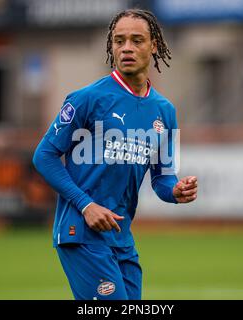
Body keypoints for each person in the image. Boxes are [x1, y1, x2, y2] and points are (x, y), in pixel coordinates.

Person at [33, 9, 197, 300]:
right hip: (80, 232)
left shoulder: (165, 111)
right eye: (119, 41)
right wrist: (86, 205)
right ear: (111, 47)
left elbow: (162, 177)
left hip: (121, 237)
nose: (127, 48)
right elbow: (44, 156)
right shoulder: (87, 99)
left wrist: (175, 190)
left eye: (136, 40)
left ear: (154, 45)